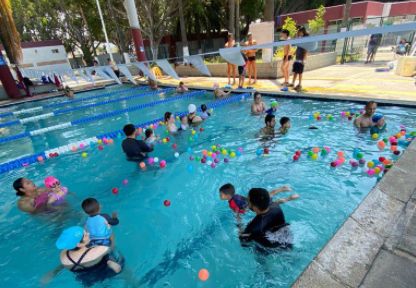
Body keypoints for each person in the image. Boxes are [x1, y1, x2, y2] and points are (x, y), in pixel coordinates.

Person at [41, 226, 121, 285]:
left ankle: (54, 272)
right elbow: (112, 245)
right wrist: (110, 232)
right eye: (85, 235)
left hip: (84, 277)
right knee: (117, 262)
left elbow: (64, 265)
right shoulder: (98, 251)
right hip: (103, 270)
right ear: (79, 244)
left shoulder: (63, 255)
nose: (88, 233)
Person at [219, 183, 298, 214]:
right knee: (269, 194)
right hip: (253, 199)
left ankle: (290, 198)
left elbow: (238, 211)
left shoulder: (231, 203)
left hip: (253, 205)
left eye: (221, 195)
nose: (220, 196)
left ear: (228, 196)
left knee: (274, 203)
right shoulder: (236, 195)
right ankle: (282, 188)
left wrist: (239, 217)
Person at [291, 27, 308, 92]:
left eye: (299, 32)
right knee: (295, 72)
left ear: (303, 32)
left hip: (301, 59)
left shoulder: (305, 40)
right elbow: (297, 48)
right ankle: (293, 83)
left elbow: (306, 50)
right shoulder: (300, 39)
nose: (299, 33)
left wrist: (304, 59)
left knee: (300, 73)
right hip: (297, 59)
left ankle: (300, 84)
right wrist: (294, 54)